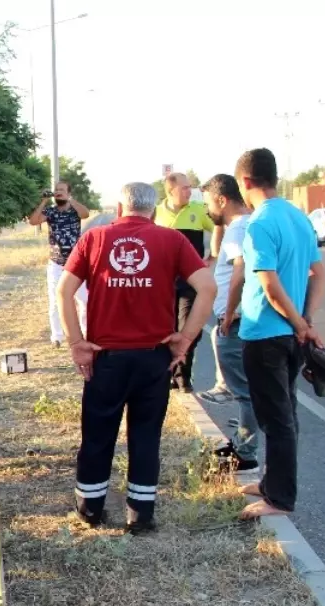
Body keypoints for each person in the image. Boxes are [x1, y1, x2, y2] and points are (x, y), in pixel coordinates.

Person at [58, 181, 217, 533]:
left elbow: (63, 290)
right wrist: (185, 338)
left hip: (107, 358)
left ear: (118, 209)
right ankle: (140, 515)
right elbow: (208, 286)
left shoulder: (94, 239)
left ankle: (90, 510)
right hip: (153, 358)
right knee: (146, 436)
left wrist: (75, 342)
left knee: (97, 434)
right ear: (154, 209)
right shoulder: (172, 240)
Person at [233, 148, 325, 520]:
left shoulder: (259, 223)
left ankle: (279, 499)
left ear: (245, 182)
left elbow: (269, 286)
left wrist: (299, 322)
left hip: (265, 335)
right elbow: (319, 275)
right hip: (290, 334)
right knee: (284, 410)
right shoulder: (298, 217)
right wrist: (305, 320)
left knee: (276, 418)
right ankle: (273, 484)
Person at [198, 173, 259, 473]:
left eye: (209, 202)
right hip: (248, 319)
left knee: (245, 392)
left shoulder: (238, 230)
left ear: (222, 200)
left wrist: (230, 313)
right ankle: (243, 445)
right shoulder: (246, 224)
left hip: (235, 321)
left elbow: (240, 271)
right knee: (252, 390)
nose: (208, 209)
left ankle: (245, 453)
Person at [154, 172, 216, 392]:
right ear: (171, 191)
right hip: (162, 284)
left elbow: (220, 226)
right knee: (164, 330)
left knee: (189, 329)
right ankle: (166, 374)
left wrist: (212, 256)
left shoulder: (198, 211)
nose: (190, 191)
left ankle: (182, 376)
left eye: (190, 187)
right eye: (185, 188)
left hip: (190, 282)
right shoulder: (156, 213)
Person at [29, 181, 91, 346]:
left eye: (62, 190)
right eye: (56, 190)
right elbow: (33, 221)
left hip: (76, 262)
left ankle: (87, 332)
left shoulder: (74, 210)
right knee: (56, 300)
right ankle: (57, 336)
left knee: (84, 299)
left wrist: (70, 200)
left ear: (69, 193)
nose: (58, 193)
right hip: (56, 263)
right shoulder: (50, 211)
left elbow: (86, 214)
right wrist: (43, 201)